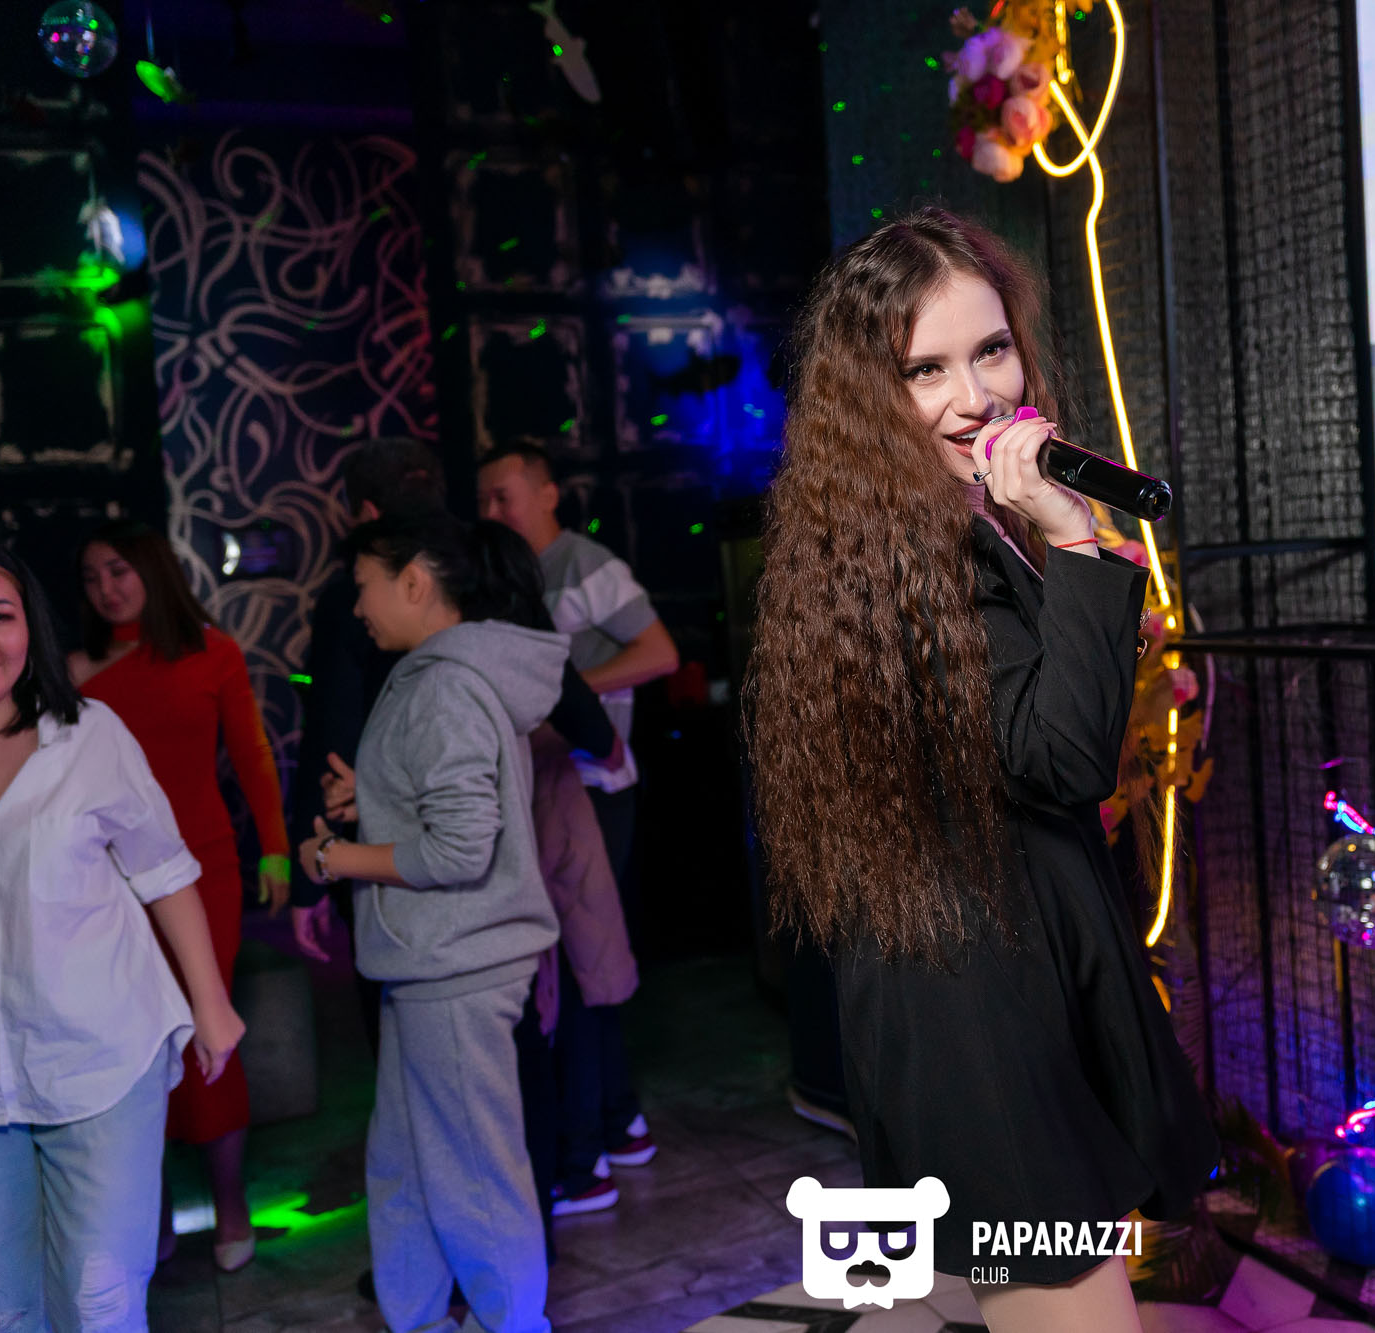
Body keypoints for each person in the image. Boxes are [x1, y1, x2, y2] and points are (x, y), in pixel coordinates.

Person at [744, 208, 1218, 1333]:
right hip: (984, 1024)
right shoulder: (917, 554)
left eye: (991, 350)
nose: (975, 397)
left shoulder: (907, 529)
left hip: (989, 985)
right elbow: (1064, 758)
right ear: (870, 394)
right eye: (927, 369)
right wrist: (1077, 536)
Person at [0, 535, 246, 1332]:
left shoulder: (89, 734)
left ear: (31, 623)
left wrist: (210, 1002)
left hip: (99, 1056)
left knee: (99, 1303)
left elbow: (163, 869)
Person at [296, 511, 565, 1333]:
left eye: (364, 586)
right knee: (408, 1164)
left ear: (414, 581)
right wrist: (372, 799)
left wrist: (337, 858)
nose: (357, 607)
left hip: (457, 962)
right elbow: (450, 807)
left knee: (475, 1177)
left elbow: (459, 848)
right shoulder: (439, 673)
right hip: (430, 959)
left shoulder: (446, 681)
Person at [69, 520, 290, 1273]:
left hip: (204, 872)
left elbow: (252, 754)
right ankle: (153, 1215)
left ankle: (230, 1207)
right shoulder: (74, 670)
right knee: (131, 1046)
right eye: (92, 577)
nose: (106, 589)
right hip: (108, 884)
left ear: (153, 570)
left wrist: (276, 848)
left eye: (119, 570)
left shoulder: (213, 651)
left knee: (206, 1029)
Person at [478, 442, 674, 1168]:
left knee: (587, 956)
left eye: (503, 496)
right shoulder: (513, 576)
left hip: (597, 785)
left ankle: (594, 1137)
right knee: (580, 957)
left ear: (547, 494)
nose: (493, 511)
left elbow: (659, 653)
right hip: (555, 786)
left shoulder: (584, 565)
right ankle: (616, 1121)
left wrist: (566, 698)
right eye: (484, 501)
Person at [289, 436, 451, 1051]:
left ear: (368, 514)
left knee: (403, 1029)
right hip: (500, 862)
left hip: (390, 840)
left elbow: (331, 736)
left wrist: (314, 872)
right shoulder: (492, 572)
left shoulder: (352, 601)